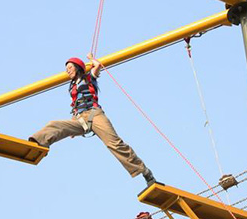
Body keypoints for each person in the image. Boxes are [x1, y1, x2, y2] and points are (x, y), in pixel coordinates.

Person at [29, 53, 156, 186]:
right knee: (54, 124)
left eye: (70, 67)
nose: (68, 71)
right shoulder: (73, 87)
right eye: (66, 69)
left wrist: (90, 59)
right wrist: (72, 126)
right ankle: (37, 142)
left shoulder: (89, 78)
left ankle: (145, 172)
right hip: (80, 119)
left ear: (78, 67)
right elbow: (76, 105)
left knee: (114, 144)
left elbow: (97, 66)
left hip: (95, 115)